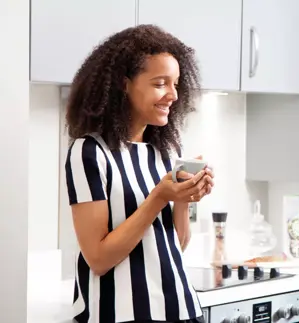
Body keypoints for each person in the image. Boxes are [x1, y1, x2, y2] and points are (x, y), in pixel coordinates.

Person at [64, 24, 213, 323]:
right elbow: (98, 258)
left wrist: (184, 196)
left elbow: (176, 244)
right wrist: (159, 197)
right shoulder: (90, 153)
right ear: (124, 84)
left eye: (176, 83)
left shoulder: (161, 152)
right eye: (160, 83)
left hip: (180, 310)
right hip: (121, 315)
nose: (172, 94)